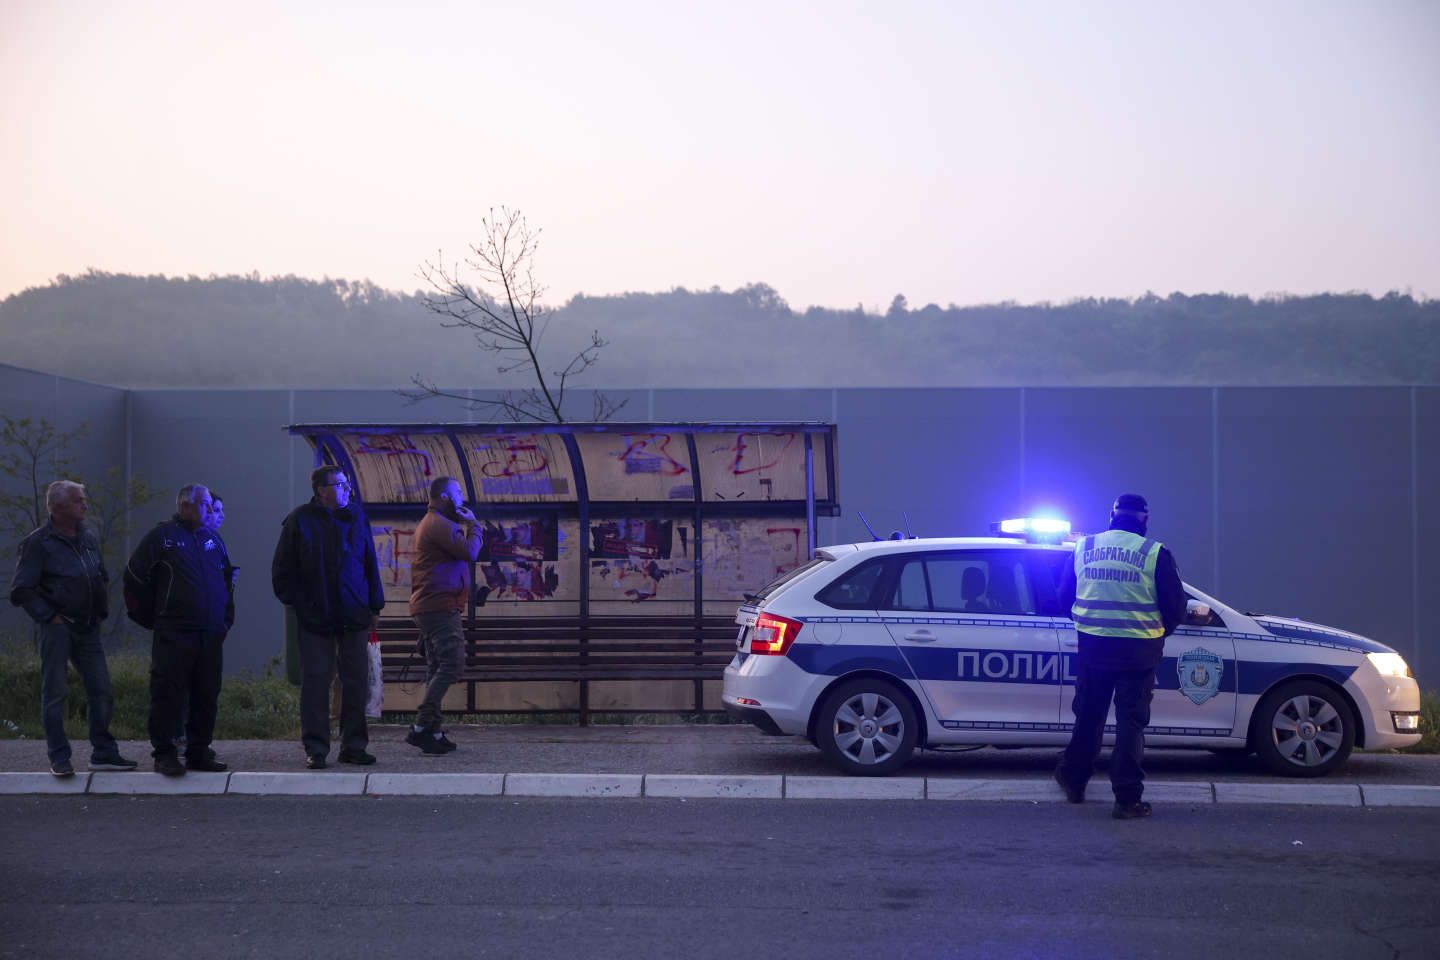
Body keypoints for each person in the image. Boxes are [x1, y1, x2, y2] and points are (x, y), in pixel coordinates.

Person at [1055, 493, 1186, 819]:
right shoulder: (1154, 553)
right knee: (1130, 724)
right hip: (1138, 652)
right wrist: (1158, 632)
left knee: (1089, 716)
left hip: (1094, 647)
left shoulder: (1084, 548)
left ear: (1111, 516)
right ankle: (1127, 799)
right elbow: (1175, 607)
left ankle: (1074, 783)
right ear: (1144, 520)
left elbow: (1062, 597)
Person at [9, 480, 138, 777]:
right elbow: (22, 590)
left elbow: (99, 574)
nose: (86, 504)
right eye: (79, 500)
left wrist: (102, 610)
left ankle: (104, 752)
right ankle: (59, 756)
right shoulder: (38, 543)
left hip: (88, 628)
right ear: (58, 506)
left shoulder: (87, 538)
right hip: (59, 627)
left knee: (101, 689)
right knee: (55, 692)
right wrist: (49, 616)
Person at [271, 466, 384, 769]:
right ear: (321, 490)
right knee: (316, 683)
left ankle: (354, 746)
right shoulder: (299, 521)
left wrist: (375, 605)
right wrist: (303, 605)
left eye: (347, 484)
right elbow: (282, 573)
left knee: (355, 682)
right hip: (316, 617)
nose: (347, 489)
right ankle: (316, 748)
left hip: (354, 613)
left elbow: (370, 562)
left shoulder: (357, 516)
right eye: (340, 484)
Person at [124, 484, 233, 776]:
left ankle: (199, 751)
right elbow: (134, 577)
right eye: (207, 505)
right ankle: (165, 753)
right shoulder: (162, 538)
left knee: (206, 694)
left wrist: (225, 621)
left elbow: (226, 580)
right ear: (186, 505)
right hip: (175, 631)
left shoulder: (213, 540)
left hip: (209, 633)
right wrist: (155, 618)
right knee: (168, 693)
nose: (211, 511)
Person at [406, 476, 483, 754]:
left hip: (433, 604)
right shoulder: (440, 524)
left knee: (437, 667)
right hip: (439, 606)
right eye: (458, 492)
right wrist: (474, 524)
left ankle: (433, 733)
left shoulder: (436, 523)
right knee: (452, 664)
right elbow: (470, 551)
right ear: (445, 497)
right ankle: (421, 725)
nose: (462, 497)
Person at [174, 492, 228, 747]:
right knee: (179, 682)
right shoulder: (174, 539)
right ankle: (177, 734)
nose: (218, 516)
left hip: (211, 626)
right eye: (214, 509)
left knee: (205, 688)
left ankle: (198, 741)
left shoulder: (213, 542)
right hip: (183, 626)